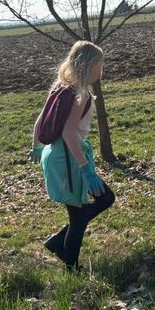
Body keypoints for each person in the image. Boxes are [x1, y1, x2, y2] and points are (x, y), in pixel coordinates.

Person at [30, 41, 115, 270]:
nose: (102, 69)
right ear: (90, 65)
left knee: (94, 204)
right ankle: (70, 263)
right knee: (83, 213)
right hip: (67, 158)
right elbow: (68, 133)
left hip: (56, 154)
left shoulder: (60, 86)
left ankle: (59, 244)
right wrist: (86, 169)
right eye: (100, 63)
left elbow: (40, 119)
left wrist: (37, 146)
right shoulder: (81, 94)